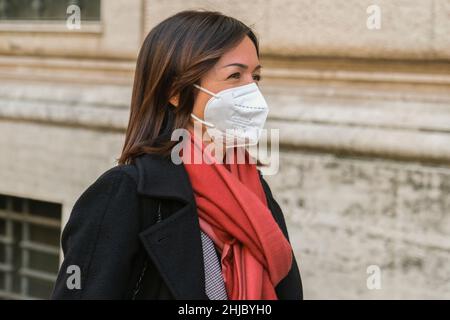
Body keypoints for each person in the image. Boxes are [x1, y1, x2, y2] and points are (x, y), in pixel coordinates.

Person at [51, 10, 302, 300]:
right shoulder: (125, 193)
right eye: (235, 75)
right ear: (175, 91)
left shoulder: (255, 188)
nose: (253, 90)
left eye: (255, 76)